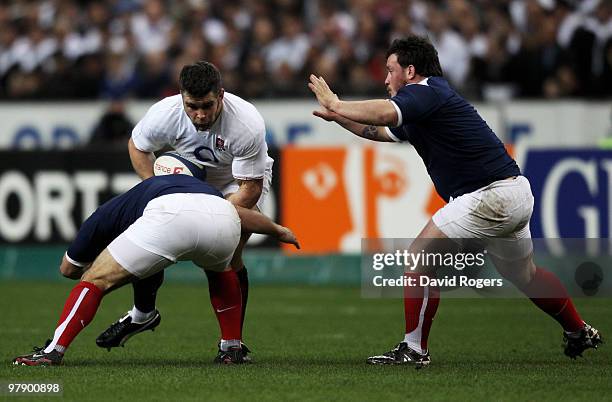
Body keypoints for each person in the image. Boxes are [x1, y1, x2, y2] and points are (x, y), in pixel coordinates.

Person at [308, 35, 602, 367]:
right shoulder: (424, 103)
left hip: (488, 196)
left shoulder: (425, 91)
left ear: (410, 70)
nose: (386, 78)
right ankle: (579, 330)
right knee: (526, 275)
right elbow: (374, 131)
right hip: (515, 192)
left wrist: (336, 103)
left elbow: (385, 114)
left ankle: (414, 349)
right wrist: (339, 118)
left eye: (390, 70)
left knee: (419, 259)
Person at [12, 174, 299, 366]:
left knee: (95, 279)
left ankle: (52, 352)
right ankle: (231, 347)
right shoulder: (201, 187)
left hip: (169, 218)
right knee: (221, 269)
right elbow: (241, 214)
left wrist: (104, 267)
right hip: (222, 217)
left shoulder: (119, 205)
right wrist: (279, 230)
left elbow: (69, 269)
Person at [96, 61, 273, 361]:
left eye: (207, 106)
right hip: (183, 181)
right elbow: (138, 147)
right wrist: (156, 190)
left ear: (222, 96)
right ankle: (143, 313)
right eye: (192, 106)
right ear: (181, 98)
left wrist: (213, 213)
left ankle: (232, 345)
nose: (200, 115)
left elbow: (251, 188)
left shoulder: (246, 123)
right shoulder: (165, 113)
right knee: (151, 237)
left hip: (235, 183)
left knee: (229, 252)